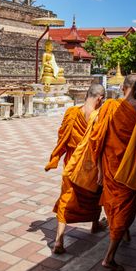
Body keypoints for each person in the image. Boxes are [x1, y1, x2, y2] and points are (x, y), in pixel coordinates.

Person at [89, 75, 136, 271]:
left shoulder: (110, 106)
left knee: (114, 202)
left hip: (110, 164)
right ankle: (109, 257)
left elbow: (97, 137)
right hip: (129, 166)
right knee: (126, 205)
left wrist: (98, 167)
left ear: (123, 88)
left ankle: (122, 231)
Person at [45, 83, 106, 254]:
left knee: (66, 197)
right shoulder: (100, 116)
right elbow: (101, 144)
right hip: (92, 166)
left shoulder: (71, 113)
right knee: (95, 195)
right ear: (99, 98)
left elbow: (62, 137)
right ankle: (95, 224)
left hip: (71, 164)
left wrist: (56, 156)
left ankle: (58, 240)